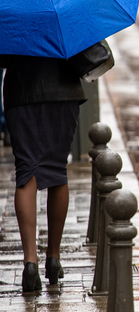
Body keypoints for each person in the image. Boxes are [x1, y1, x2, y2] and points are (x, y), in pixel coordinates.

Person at [0, 55, 86, 292]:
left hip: (21, 92)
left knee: (26, 171)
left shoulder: (11, 16)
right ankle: (53, 257)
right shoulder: (64, 15)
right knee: (57, 169)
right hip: (62, 88)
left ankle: (30, 262)